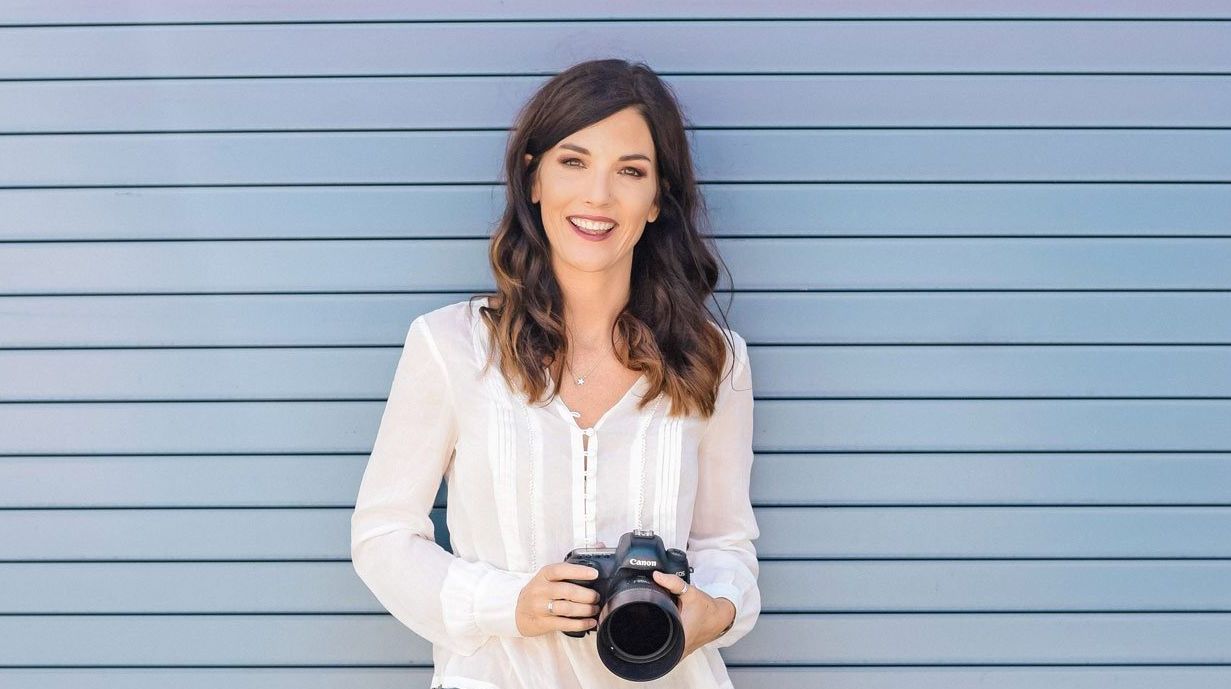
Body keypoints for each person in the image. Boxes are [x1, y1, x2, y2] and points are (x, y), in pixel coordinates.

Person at [350, 58, 760, 689]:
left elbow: (726, 544)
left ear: (656, 202)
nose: (598, 195)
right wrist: (507, 605)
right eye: (574, 161)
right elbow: (382, 536)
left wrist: (717, 611)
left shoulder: (714, 359)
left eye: (630, 171)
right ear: (533, 179)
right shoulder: (449, 345)